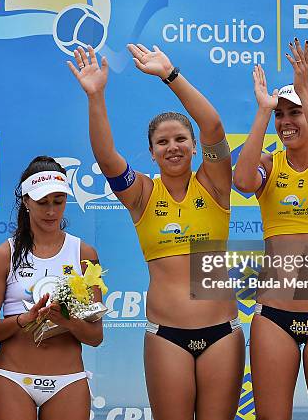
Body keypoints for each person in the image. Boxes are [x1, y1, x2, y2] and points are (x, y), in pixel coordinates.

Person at [68, 44, 245, 420]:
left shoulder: (214, 184)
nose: (173, 147)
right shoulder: (143, 195)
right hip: (167, 336)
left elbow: (213, 125)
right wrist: (96, 95)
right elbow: (106, 157)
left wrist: (170, 76)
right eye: (162, 142)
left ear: (195, 147)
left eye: (181, 139)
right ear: (151, 153)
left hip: (222, 334)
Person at [233, 38, 308, 420]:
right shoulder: (269, 165)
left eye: (295, 112)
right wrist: (262, 111)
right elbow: (241, 182)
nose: (285, 121)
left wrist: (303, 89)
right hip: (274, 316)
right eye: (280, 114)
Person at [0, 156, 102, 420]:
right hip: (13, 379)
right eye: (42, 203)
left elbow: (95, 336)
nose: (51, 211)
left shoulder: (83, 253)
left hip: (68, 380)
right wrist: (23, 321)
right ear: (26, 202)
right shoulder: (3, 255)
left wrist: (67, 322)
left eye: (59, 202)